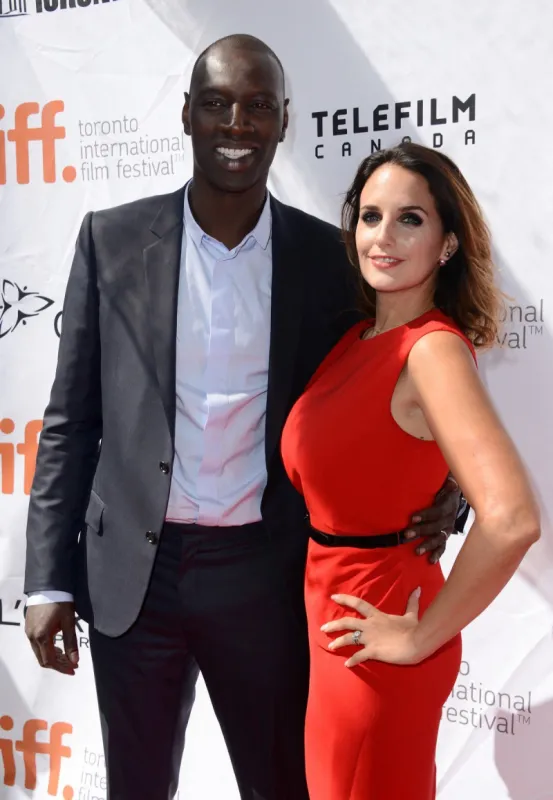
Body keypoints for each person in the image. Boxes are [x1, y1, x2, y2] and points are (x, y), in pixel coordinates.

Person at [23, 37, 462, 800]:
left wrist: (449, 483)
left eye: (258, 106)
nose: (237, 124)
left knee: (281, 786)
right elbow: (70, 421)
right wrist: (44, 583)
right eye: (217, 104)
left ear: (284, 120)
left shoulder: (329, 260)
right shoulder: (111, 240)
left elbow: (398, 371)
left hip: (266, 574)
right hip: (135, 581)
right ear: (186, 115)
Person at [281, 142, 541, 800]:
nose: (383, 236)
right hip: (333, 621)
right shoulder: (356, 340)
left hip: (380, 629)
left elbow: (511, 517)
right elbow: (384, 455)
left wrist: (421, 634)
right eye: (370, 217)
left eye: (410, 219)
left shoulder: (431, 352)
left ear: (447, 244)